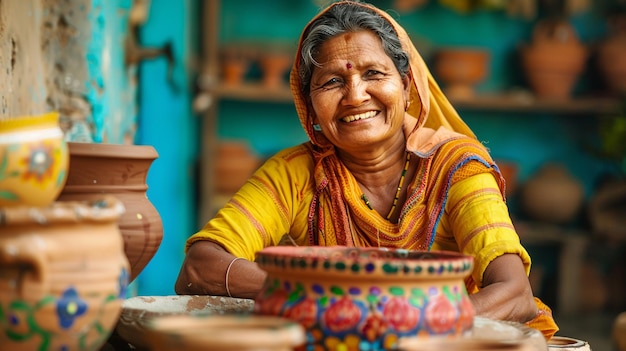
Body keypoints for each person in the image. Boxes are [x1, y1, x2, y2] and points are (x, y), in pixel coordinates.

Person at [175, 0, 558, 340]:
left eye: (374, 74)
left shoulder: (455, 167)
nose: (355, 95)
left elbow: (514, 292)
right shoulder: (294, 173)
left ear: (408, 87)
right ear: (310, 106)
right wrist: (325, 296)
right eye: (332, 82)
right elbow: (200, 265)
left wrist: (407, 329)